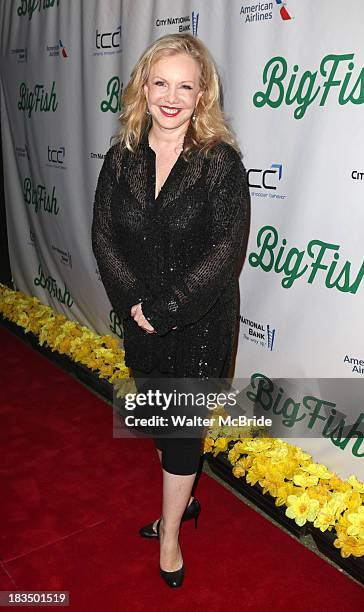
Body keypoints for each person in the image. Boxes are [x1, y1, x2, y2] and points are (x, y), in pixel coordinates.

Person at [91, 33, 251, 588]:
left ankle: (170, 535)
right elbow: (104, 237)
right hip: (141, 319)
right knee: (163, 423)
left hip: (200, 322)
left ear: (202, 93)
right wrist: (136, 303)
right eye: (161, 82)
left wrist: (168, 306)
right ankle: (184, 503)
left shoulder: (219, 163)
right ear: (143, 87)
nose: (171, 96)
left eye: (186, 85)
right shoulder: (121, 158)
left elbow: (225, 250)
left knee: (182, 432)